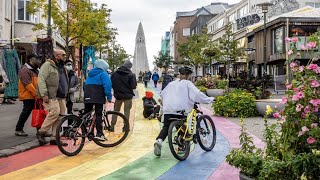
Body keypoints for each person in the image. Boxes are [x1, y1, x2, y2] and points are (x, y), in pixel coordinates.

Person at [154, 66, 214, 156]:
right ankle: (181, 147)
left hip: (167, 110)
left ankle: (159, 141)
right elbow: (197, 94)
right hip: (180, 109)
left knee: (166, 126)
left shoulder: (171, 84)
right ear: (189, 75)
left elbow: (162, 94)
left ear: (180, 74)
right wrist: (209, 99)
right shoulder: (187, 83)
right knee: (183, 126)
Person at [37, 50, 66, 145]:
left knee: (60, 116)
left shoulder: (61, 66)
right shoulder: (47, 65)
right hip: (51, 94)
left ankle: (54, 138)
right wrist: (44, 94)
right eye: (63, 55)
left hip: (61, 95)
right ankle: (41, 132)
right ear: (57, 56)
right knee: (55, 112)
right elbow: (41, 79)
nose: (65, 57)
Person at [84, 59, 112, 141]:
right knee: (98, 113)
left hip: (88, 94)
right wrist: (109, 97)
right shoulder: (103, 74)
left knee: (87, 113)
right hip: (98, 95)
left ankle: (85, 131)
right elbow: (107, 86)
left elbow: (85, 84)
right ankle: (99, 133)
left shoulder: (90, 74)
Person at [15, 53, 41, 136]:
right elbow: (28, 85)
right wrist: (37, 94)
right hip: (28, 96)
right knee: (26, 112)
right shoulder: (24, 70)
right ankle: (18, 129)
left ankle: (40, 131)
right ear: (31, 59)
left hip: (34, 95)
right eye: (36, 58)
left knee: (39, 112)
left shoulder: (35, 69)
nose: (38, 60)